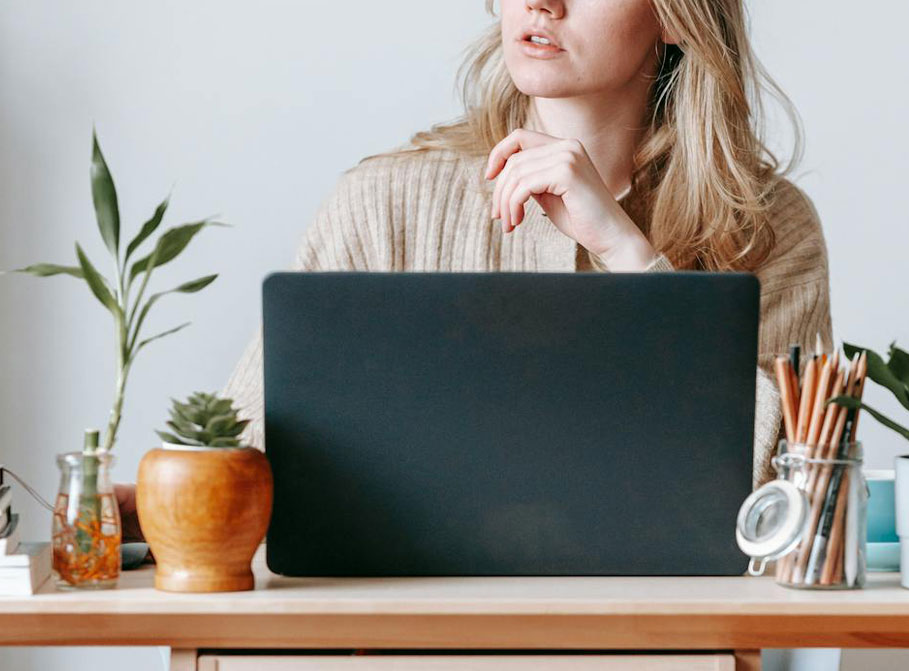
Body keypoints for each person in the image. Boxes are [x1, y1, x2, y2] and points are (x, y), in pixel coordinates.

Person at [118, 0, 832, 545]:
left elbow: (788, 504)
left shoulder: (765, 226)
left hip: (662, 639)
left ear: (676, 15)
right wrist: (133, 509)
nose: (542, 2)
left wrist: (628, 253)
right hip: (395, 642)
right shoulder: (384, 203)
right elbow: (243, 454)